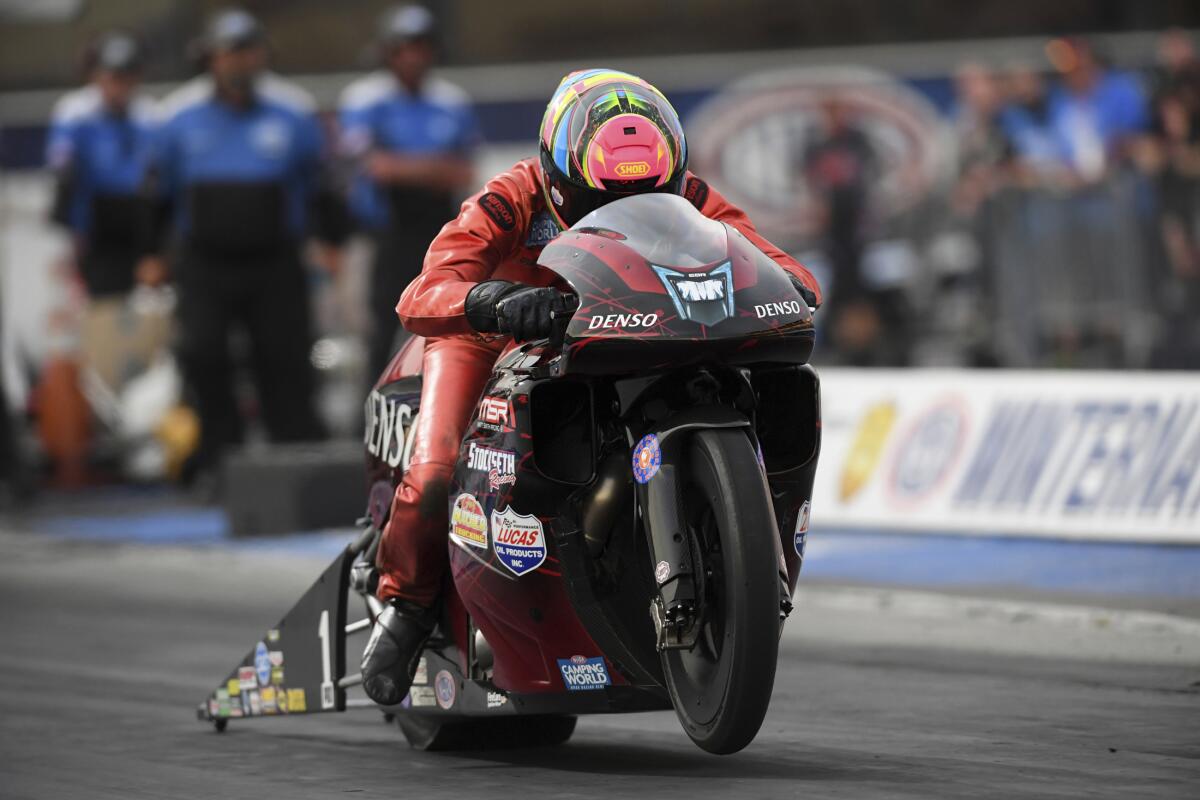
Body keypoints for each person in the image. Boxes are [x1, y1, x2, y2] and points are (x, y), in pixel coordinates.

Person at [359, 69, 822, 705]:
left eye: (648, 193)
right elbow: (422, 291)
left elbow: (772, 258)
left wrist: (790, 288)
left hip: (617, 339)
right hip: (495, 340)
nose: (623, 210)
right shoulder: (509, 196)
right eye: (600, 198)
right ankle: (405, 607)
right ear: (559, 176)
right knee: (437, 469)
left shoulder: (690, 192)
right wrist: (492, 299)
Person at [141, 8, 348, 474]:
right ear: (210, 58)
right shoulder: (177, 116)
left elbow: (322, 186)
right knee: (204, 353)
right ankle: (219, 462)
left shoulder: (292, 113)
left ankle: (296, 461)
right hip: (204, 263)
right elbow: (156, 194)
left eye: (249, 51)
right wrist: (153, 254)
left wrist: (331, 243)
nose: (241, 62)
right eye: (231, 53)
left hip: (275, 261)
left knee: (284, 357)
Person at [337, 4, 478, 382]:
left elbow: (463, 171)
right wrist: (432, 168)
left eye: (422, 46)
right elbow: (370, 166)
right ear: (387, 51)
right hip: (385, 232)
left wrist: (403, 167)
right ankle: (368, 410)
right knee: (379, 327)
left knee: (446, 319)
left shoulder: (451, 102)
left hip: (439, 232)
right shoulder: (365, 100)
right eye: (404, 47)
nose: (414, 56)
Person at [46, 32, 155, 300]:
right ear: (96, 76)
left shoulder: (151, 115)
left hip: (139, 223)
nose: (119, 85)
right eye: (112, 76)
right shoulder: (75, 112)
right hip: (94, 224)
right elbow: (60, 164)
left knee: (147, 302)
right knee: (101, 304)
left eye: (126, 76)